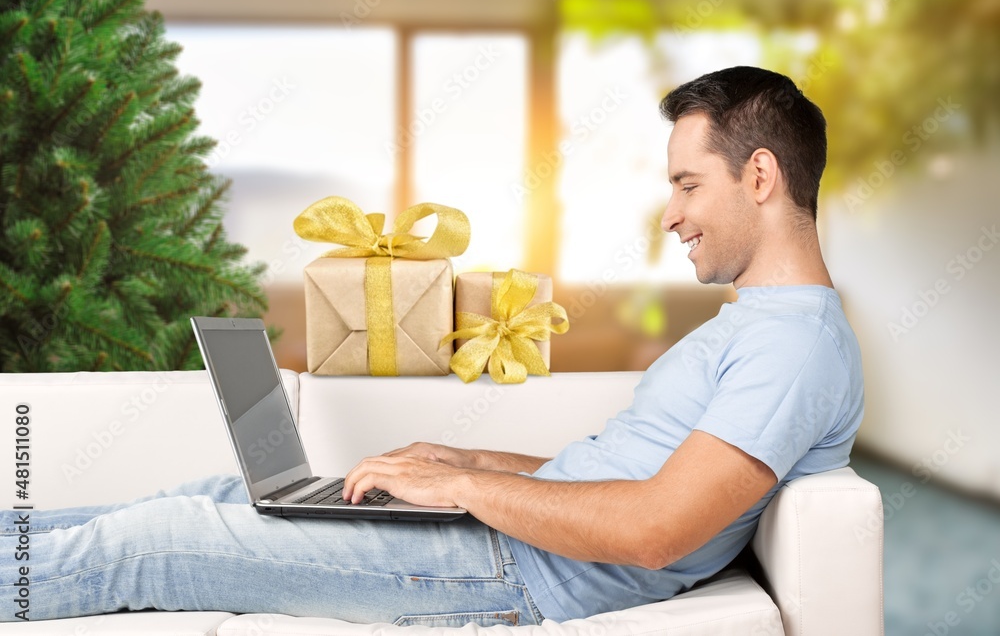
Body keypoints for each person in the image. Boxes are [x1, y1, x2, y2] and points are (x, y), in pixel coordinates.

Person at [1, 66, 863, 627]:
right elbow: (622, 479)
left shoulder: (796, 349)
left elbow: (654, 530)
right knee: (215, 491)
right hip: (501, 535)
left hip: (509, 571)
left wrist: (461, 488)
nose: (671, 214)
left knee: (151, 540)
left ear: (759, 176)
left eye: (687, 184)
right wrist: (468, 458)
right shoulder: (759, 326)